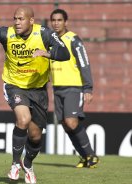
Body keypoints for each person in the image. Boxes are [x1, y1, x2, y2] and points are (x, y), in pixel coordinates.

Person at [0, 6, 69, 183]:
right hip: (14, 85)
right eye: (15, 18)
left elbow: (65, 53)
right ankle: (15, 164)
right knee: (23, 120)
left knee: (36, 136)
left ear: (31, 20)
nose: (16, 22)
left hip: (38, 90)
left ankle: (28, 164)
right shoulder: (6, 33)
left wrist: (46, 53)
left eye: (21, 19)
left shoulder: (44, 34)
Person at [49, 9, 99, 168]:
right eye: (54, 20)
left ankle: (91, 155)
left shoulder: (74, 40)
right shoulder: (50, 40)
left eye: (59, 20)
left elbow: (84, 63)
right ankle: (84, 157)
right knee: (65, 124)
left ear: (66, 22)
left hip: (73, 87)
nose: (56, 23)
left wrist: (88, 88)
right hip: (57, 88)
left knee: (71, 122)